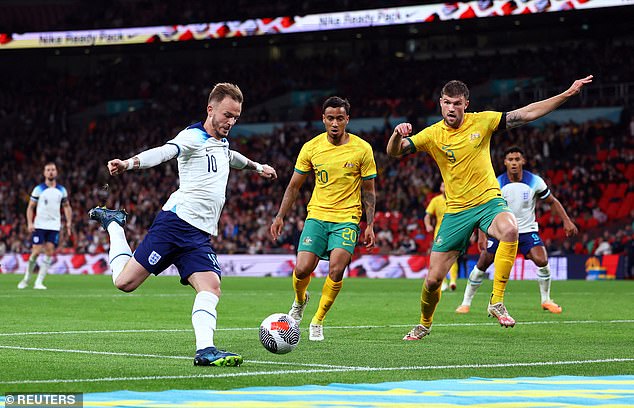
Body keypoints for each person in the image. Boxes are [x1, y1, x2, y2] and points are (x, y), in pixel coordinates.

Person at [387, 75, 593, 340]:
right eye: (447, 103)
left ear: (466, 104)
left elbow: (526, 113)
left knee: (510, 229)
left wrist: (567, 93)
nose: (451, 108)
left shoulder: (482, 121)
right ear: (440, 103)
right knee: (432, 281)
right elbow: (395, 151)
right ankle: (424, 324)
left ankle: (496, 301)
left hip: (487, 201)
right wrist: (395, 134)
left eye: (457, 103)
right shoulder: (432, 134)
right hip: (457, 211)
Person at [88, 83, 277, 366]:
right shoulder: (192, 137)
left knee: (211, 288)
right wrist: (129, 163)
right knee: (124, 283)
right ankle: (114, 225)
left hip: (198, 235)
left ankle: (205, 351)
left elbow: (231, 157)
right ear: (210, 109)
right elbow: (163, 152)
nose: (231, 122)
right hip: (175, 225)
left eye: (236, 117)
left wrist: (257, 167)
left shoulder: (221, 144)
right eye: (227, 115)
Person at [270, 96, 377, 341]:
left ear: (347, 119)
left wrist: (370, 224)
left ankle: (317, 320)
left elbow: (369, 190)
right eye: (330, 118)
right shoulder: (311, 147)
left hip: (347, 218)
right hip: (317, 215)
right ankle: (300, 301)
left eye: (340, 118)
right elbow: (294, 186)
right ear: (323, 119)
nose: (335, 123)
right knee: (303, 268)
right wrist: (280, 216)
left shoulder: (362, 148)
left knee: (337, 269)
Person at [456, 146, 578, 315]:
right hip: (501, 231)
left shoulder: (535, 181)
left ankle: (546, 300)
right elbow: (485, 209)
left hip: (527, 231)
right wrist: (481, 235)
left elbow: (552, 201)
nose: (514, 163)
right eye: (510, 160)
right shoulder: (496, 183)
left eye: (517, 159)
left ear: (523, 161)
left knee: (542, 260)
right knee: (483, 263)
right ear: (505, 162)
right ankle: (465, 302)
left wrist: (567, 221)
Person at [19, 162, 73, 290]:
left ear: (56, 172)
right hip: (40, 224)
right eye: (48, 170)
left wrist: (69, 222)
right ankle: (26, 279)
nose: (50, 172)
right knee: (36, 252)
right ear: (44, 173)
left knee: (49, 252)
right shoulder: (38, 189)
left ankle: (39, 282)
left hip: (54, 225)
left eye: (53, 170)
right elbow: (30, 207)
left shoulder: (61, 190)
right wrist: (30, 222)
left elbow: (66, 206)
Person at [423, 182, 458, 292]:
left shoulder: (456, 200)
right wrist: (428, 225)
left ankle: (452, 281)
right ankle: (443, 282)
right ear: (440, 188)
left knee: (452, 256)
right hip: (439, 233)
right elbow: (427, 216)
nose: (444, 188)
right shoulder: (435, 200)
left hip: (453, 231)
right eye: (443, 186)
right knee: (439, 259)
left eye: (446, 185)